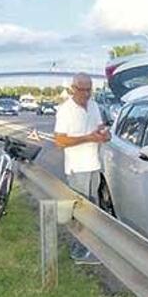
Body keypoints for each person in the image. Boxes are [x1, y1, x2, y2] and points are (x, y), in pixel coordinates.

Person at [54, 73, 111, 263]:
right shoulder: (65, 110)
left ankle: (86, 247)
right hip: (77, 168)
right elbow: (60, 140)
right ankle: (78, 250)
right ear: (73, 88)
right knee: (80, 211)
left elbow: (99, 126)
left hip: (94, 164)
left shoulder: (93, 105)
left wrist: (104, 134)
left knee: (92, 208)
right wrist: (88, 138)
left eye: (89, 89)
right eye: (83, 90)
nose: (86, 94)